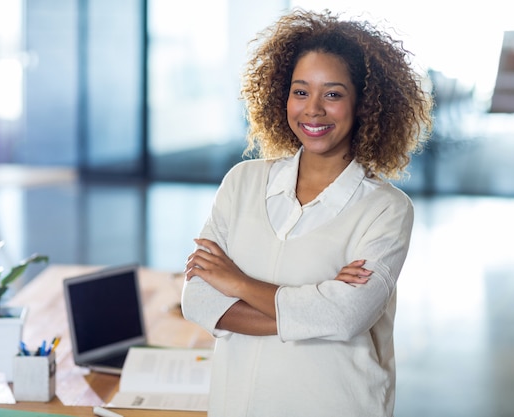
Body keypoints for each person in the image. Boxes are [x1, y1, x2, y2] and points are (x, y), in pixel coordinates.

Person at [182, 8, 433, 417]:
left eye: (332, 94)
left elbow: (346, 315)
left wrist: (236, 282)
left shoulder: (386, 209)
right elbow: (197, 299)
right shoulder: (241, 182)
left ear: (364, 104)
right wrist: (315, 307)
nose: (313, 109)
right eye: (301, 91)